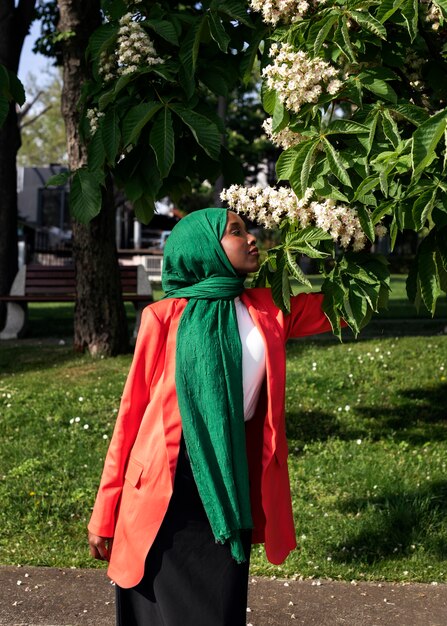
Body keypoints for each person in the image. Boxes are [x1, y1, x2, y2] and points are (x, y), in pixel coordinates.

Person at [88, 208, 334, 626]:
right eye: (235, 232)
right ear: (204, 248)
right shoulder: (164, 317)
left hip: (228, 477)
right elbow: (130, 417)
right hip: (165, 490)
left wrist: (342, 226)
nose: (251, 237)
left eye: (247, 228)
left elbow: (347, 308)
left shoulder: (271, 310)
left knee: (219, 610)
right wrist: (104, 511)